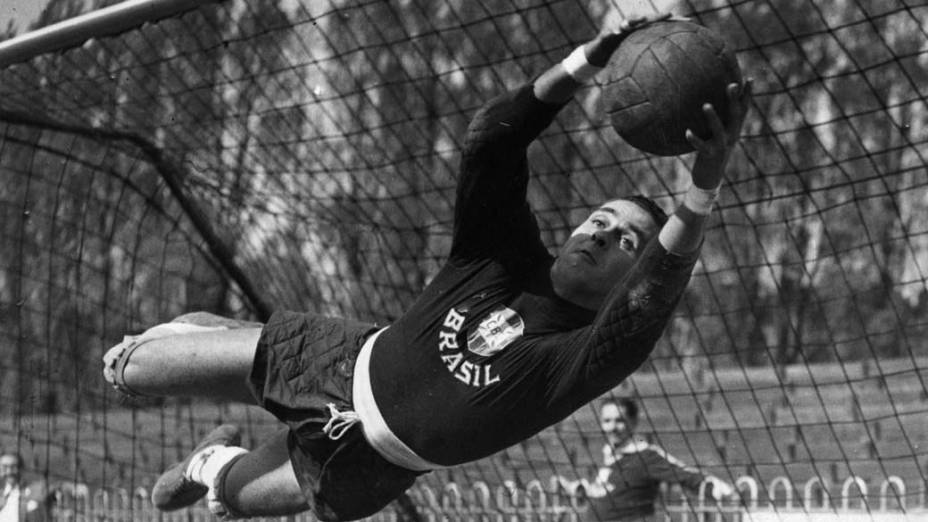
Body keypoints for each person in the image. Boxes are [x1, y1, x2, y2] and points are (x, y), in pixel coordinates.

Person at [102, 12, 752, 522]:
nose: (602, 234)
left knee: (234, 497)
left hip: (371, 469)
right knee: (129, 369)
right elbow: (492, 140)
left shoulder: (583, 356)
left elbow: (651, 303)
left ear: (632, 273)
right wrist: (588, 60)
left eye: (627, 242)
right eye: (600, 220)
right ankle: (224, 343)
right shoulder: (502, 254)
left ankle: (206, 460)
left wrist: (702, 190)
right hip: (330, 360)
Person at [564, 399, 733, 522]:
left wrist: (718, 488)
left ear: (633, 422)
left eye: (620, 421)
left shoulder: (646, 455)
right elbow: (607, 492)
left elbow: (685, 475)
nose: (613, 427)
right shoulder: (608, 455)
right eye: (607, 421)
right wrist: (580, 489)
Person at [0, 453, 52, 522]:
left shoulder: (35, 493)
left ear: (22, 469)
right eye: (4, 467)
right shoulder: (2, 493)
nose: (9, 472)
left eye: (13, 467)